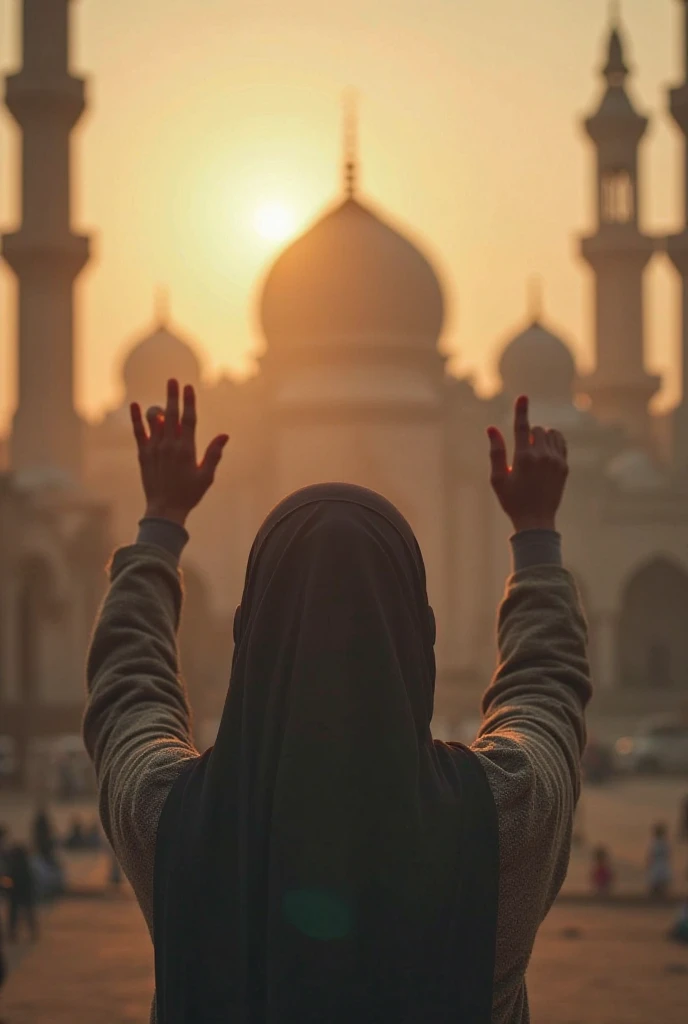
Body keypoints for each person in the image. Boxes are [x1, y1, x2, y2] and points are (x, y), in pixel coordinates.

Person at [83, 380, 590, 1024]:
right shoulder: (503, 825)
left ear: (248, 634)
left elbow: (127, 690)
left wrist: (160, 523)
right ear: (419, 637)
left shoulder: (174, 824)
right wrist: (537, 535)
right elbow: (546, 692)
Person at [6, 845, 38, 943]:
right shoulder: (26, 865)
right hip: (24, 893)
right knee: (28, 913)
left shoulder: (14, 866)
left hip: (16, 893)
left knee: (15, 915)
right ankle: (32, 932)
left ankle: (13, 934)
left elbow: (10, 880)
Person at [647, 822, 673, 900]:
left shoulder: (662, 843)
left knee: (661, 881)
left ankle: (661, 895)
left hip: (660, 863)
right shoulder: (656, 843)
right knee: (657, 881)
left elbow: (668, 854)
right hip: (658, 863)